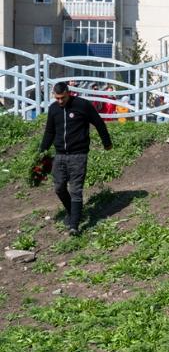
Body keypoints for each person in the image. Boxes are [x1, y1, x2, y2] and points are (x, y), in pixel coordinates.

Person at [39, 82, 113, 236]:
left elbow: (98, 123)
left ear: (69, 93)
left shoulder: (82, 105)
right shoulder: (53, 109)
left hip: (78, 155)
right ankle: (73, 212)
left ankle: (74, 226)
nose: (60, 101)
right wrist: (41, 153)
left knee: (76, 190)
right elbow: (49, 133)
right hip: (59, 156)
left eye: (63, 98)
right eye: (57, 98)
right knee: (59, 188)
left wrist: (106, 142)